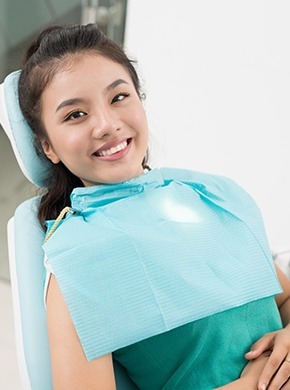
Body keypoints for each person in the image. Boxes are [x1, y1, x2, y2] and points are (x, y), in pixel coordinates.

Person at [15, 23, 290, 389]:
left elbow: (282, 299)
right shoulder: (77, 262)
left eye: (119, 97)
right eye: (75, 115)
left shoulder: (207, 195)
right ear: (47, 146)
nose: (107, 125)